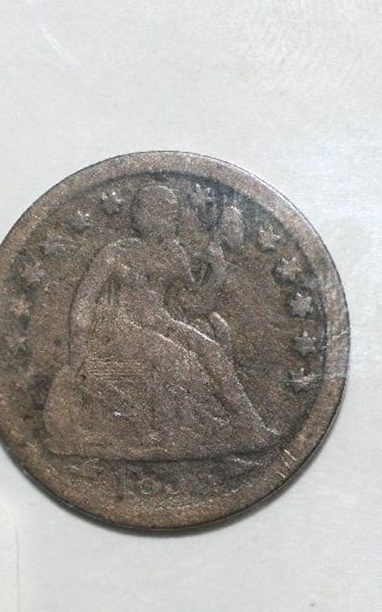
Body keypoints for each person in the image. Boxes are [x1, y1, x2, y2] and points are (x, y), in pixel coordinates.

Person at [43, 183, 274, 460]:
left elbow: (194, 306)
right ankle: (185, 432)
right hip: (121, 331)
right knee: (176, 357)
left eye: (174, 213)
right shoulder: (116, 252)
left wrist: (217, 273)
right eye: (167, 213)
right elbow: (84, 300)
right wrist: (78, 348)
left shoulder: (175, 253)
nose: (173, 220)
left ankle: (249, 426)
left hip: (163, 323)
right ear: (145, 215)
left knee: (211, 350)